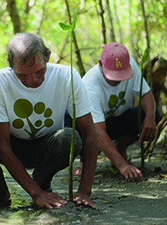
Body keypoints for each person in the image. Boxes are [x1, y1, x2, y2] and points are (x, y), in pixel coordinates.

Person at [0, 33, 99, 210]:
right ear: (10, 63)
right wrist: (36, 194)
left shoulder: (67, 76)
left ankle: (42, 182)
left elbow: (89, 134)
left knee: (70, 137)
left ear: (47, 56)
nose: (33, 80)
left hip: (47, 147)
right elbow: (1, 144)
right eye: (23, 75)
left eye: (39, 71)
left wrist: (84, 191)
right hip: (10, 148)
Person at [68, 42, 160, 181]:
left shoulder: (132, 65)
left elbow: (146, 94)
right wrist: (122, 166)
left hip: (117, 120)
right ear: (100, 64)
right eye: (113, 75)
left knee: (151, 114)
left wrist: (151, 117)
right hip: (90, 127)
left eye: (121, 74)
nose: (117, 80)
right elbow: (98, 131)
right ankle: (85, 158)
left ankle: (120, 148)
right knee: (75, 120)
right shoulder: (90, 85)